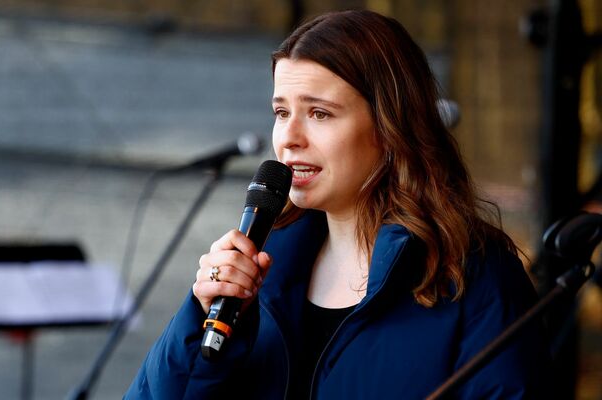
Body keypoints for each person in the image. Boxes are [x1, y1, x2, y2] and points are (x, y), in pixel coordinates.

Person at [125, 9, 551, 399]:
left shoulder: (475, 275)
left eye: (319, 114)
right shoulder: (261, 268)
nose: (288, 138)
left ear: (390, 127)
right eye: (280, 112)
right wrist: (201, 315)